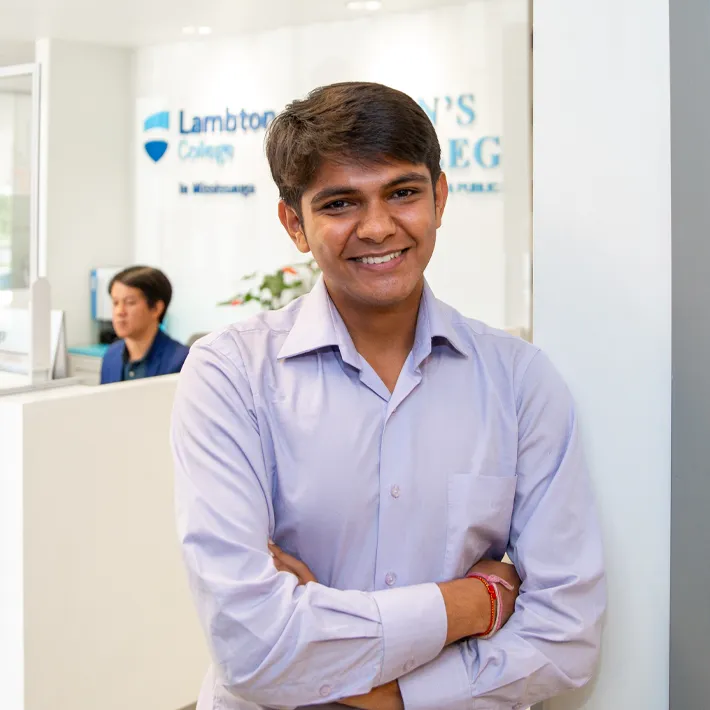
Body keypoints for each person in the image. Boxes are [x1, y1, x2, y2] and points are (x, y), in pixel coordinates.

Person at [171, 82, 606, 710]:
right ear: (295, 223)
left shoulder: (519, 381)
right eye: (341, 203)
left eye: (402, 192)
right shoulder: (230, 375)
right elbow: (251, 646)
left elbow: (566, 638)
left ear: (440, 197)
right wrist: (469, 604)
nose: (378, 227)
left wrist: (390, 696)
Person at [101, 266, 188, 385]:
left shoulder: (180, 361)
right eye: (115, 303)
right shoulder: (111, 356)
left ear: (156, 308)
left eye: (130, 302)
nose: (119, 311)